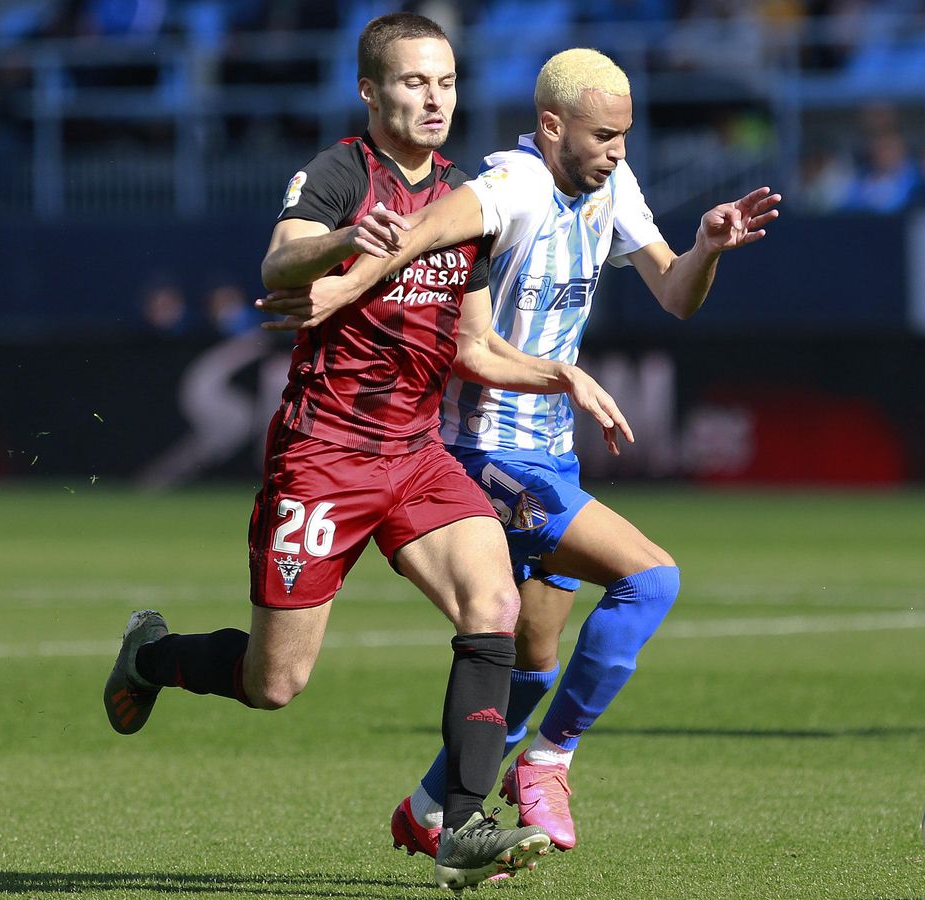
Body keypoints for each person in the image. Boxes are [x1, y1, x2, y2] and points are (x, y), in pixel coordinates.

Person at [102, 15, 632, 892]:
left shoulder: (467, 196)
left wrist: (558, 374)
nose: (434, 99)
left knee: (493, 599)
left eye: (447, 83)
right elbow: (280, 264)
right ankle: (152, 656)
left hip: (418, 453)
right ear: (371, 92)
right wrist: (347, 241)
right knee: (275, 683)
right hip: (323, 456)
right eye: (415, 82)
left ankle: (459, 826)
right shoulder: (343, 171)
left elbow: (472, 346)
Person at [260, 48, 779, 853]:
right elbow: (418, 236)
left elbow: (675, 294)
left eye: (626, 136)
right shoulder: (511, 185)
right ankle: (546, 763)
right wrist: (334, 288)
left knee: (531, 664)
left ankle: (431, 807)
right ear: (550, 125)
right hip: (477, 452)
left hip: (548, 453)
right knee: (651, 579)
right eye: (604, 135)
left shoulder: (614, 185)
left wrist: (707, 247)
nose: (618, 151)